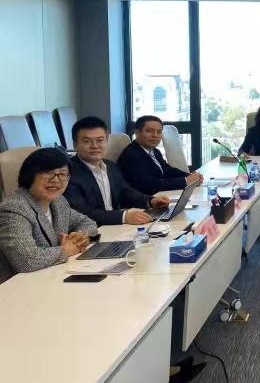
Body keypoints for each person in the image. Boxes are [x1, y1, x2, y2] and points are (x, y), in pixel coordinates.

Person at [0, 148, 98, 284]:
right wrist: (65, 250)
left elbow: (87, 223)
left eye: (62, 174)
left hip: (52, 277)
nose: (56, 180)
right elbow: (25, 260)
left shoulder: (58, 201)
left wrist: (79, 237)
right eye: (48, 173)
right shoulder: (14, 208)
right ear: (30, 175)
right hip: (19, 286)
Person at [64, 116, 171, 226]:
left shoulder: (110, 166)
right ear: (75, 145)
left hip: (116, 226)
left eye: (100, 140)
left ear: (106, 142)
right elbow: (82, 213)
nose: (95, 146)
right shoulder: (68, 173)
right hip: (92, 231)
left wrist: (150, 201)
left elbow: (126, 192)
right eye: (87, 141)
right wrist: (124, 217)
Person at [117, 115, 204, 195]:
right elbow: (148, 185)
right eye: (149, 131)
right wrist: (185, 181)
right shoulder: (131, 154)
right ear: (137, 132)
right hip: (143, 202)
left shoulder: (154, 151)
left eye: (159, 132)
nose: (155, 135)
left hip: (159, 195)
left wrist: (190, 176)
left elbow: (168, 170)